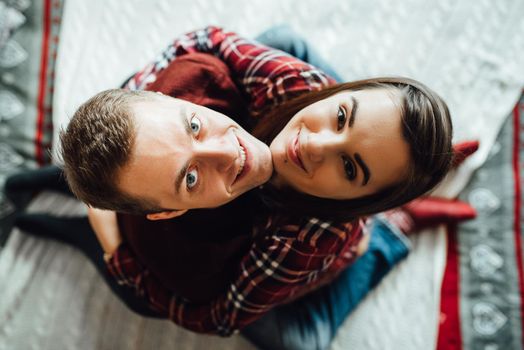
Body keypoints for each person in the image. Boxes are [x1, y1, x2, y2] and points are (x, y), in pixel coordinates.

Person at [5, 26, 472, 350]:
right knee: (287, 42)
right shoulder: (295, 83)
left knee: (302, 342)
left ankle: (401, 217)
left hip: (327, 253)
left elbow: (222, 318)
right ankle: (414, 162)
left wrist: (112, 248)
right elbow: (205, 39)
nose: (312, 144)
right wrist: (137, 102)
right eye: (341, 115)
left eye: (350, 167)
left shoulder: (306, 241)